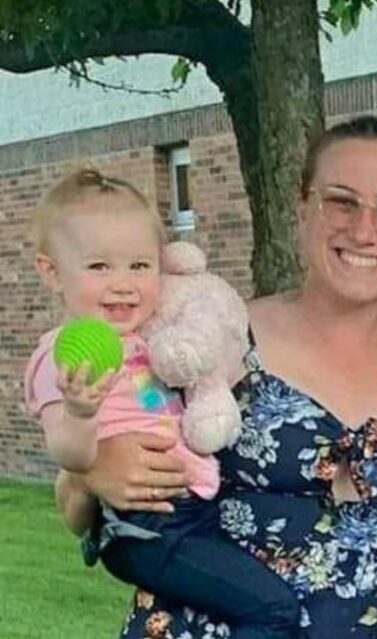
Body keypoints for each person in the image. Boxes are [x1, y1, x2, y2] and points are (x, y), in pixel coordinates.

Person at [54, 115, 377, 638]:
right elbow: (80, 504)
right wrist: (90, 471)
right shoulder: (214, 332)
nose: (363, 229)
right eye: (341, 201)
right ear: (302, 210)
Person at [26, 168, 300, 639]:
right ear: (51, 272)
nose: (123, 284)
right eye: (99, 267)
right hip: (147, 524)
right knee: (272, 610)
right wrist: (80, 413)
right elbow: (68, 453)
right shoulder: (63, 351)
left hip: (186, 515)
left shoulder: (147, 342)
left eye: (139, 265)